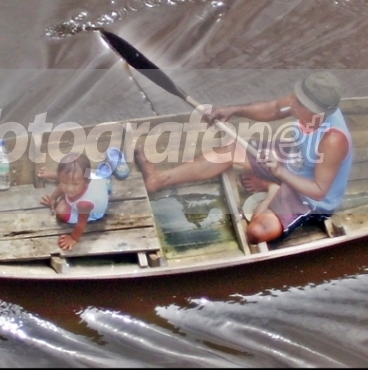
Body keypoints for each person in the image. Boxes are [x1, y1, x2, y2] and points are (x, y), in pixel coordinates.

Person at [134, 71, 353, 244]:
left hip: (309, 197)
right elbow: (274, 109)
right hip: (295, 157)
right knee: (230, 150)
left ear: (318, 113)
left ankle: (273, 188)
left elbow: (319, 189)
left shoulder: (333, 140)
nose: (292, 104)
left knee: (257, 232)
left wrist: (279, 173)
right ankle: (159, 179)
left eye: (301, 105)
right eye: (296, 98)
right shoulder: (299, 101)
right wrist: (233, 110)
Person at [37, 153, 109, 250]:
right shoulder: (82, 176)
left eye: (75, 184)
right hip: (99, 185)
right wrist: (53, 198)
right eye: (64, 182)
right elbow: (67, 179)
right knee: (68, 179)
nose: (69, 188)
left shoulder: (84, 204)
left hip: (91, 213)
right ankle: (64, 187)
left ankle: (65, 197)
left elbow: (81, 223)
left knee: (60, 212)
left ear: (87, 181)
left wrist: (73, 238)